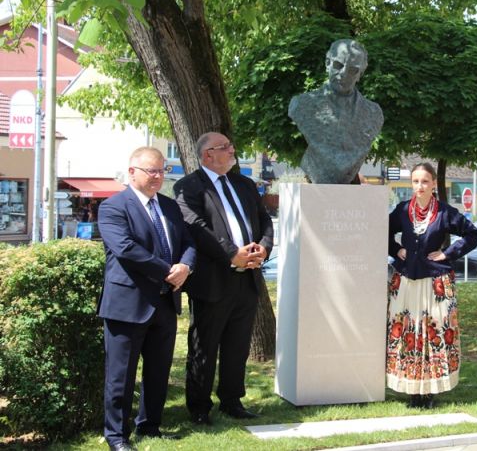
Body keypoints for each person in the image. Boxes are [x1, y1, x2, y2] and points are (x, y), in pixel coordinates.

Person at [97, 147, 196, 451]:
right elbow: (126, 249)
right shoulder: (113, 207)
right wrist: (168, 271)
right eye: (151, 171)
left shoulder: (169, 206)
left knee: (158, 372)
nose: (157, 176)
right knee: (121, 376)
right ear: (132, 172)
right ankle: (117, 436)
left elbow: (188, 242)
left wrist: (186, 266)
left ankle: (150, 426)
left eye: (162, 170)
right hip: (127, 305)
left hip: (164, 303)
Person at [174, 132, 274, 424]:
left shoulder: (244, 184)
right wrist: (232, 254)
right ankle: (199, 407)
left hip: (247, 279)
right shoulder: (189, 186)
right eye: (226, 147)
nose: (232, 151)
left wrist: (264, 247)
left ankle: (231, 400)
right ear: (208, 154)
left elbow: (264, 219)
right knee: (204, 346)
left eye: (231, 146)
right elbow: (196, 227)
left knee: (237, 346)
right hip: (213, 281)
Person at [387, 162, 477, 409]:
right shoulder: (402, 210)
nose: (420, 186)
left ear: (433, 184)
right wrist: (397, 249)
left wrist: (447, 253)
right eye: (416, 181)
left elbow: (473, 234)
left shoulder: (445, 212)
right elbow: (382, 231)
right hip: (406, 280)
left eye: (425, 181)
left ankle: (429, 391)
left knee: (432, 333)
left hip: (435, 282)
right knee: (409, 333)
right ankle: (412, 390)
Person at [288, 39, 384, 184]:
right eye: (338, 65)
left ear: (360, 74)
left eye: (353, 70)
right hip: (317, 173)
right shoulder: (302, 105)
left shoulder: (374, 113)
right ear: (328, 63)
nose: (344, 74)